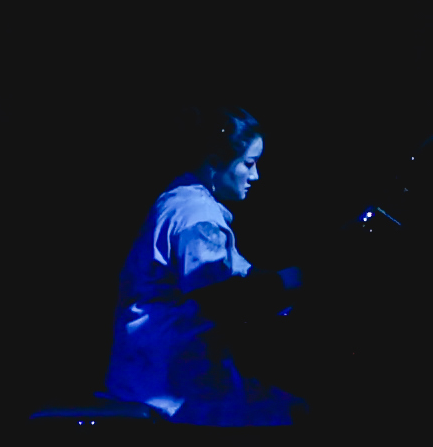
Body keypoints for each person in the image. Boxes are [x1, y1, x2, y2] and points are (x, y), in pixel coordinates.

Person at [102, 109, 298, 421]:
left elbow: (239, 276)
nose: (256, 176)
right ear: (215, 163)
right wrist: (295, 279)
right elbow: (221, 298)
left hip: (153, 371)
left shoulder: (183, 200)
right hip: (169, 383)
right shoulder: (196, 215)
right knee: (295, 414)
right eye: (249, 163)